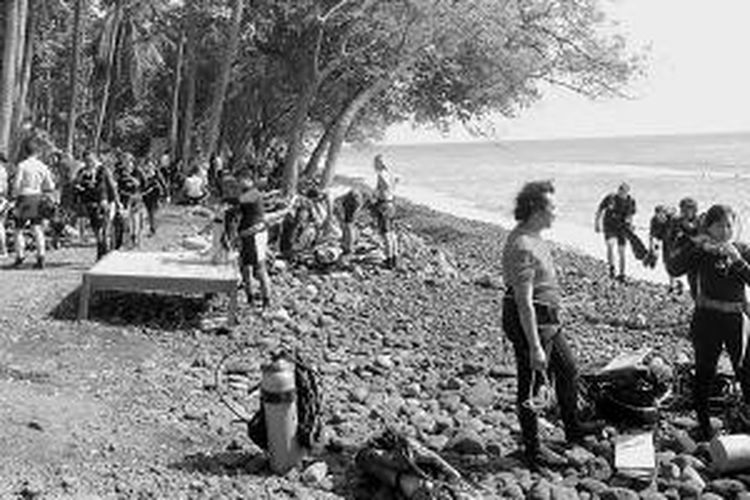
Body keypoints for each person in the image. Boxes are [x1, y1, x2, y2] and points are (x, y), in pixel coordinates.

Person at [501, 180, 599, 469]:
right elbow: (523, 302)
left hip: (549, 320)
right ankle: (533, 449)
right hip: (530, 321)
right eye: (553, 207)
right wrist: (534, 347)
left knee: (568, 371)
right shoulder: (521, 245)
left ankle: (573, 428)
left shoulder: (535, 236)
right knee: (531, 385)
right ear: (536, 209)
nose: (558, 212)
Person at [667, 205, 750, 441]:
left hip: (736, 320)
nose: (725, 231)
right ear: (709, 226)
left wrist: (737, 260)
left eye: (730, 225)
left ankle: (746, 421)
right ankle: (703, 426)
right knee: (705, 373)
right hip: (706, 318)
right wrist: (695, 244)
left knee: (745, 372)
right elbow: (674, 267)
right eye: (720, 225)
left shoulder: (742, 249)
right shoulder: (701, 250)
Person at [225, 170, 272, 309]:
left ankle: (266, 301)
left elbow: (237, 201)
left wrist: (224, 200)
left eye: (240, 181)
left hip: (255, 235)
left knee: (260, 268)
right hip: (246, 236)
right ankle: (250, 299)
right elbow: (238, 209)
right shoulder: (247, 193)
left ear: (248, 179)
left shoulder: (254, 193)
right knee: (246, 268)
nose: (238, 184)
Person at [12, 138, 56, 269]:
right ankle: (41, 256)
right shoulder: (42, 166)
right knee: (37, 228)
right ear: (38, 152)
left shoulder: (22, 165)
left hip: (24, 197)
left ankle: (20, 256)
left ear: (26, 151)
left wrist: (14, 196)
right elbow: (51, 185)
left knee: (18, 229)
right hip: (37, 196)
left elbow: (16, 185)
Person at [74, 151, 120, 260]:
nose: (88, 163)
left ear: (95, 159)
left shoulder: (103, 170)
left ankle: (103, 252)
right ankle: (102, 249)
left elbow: (111, 186)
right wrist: (78, 190)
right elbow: (76, 185)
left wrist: (117, 202)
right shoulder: (82, 172)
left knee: (104, 229)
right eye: (86, 161)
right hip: (90, 203)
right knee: (96, 230)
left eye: (90, 160)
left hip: (105, 202)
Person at [595, 183, 636, 281]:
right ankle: (612, 268)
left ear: (627, 193)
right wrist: (597, 223)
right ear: (618, 190)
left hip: (622, 227)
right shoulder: (610, 198)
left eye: (624, 192)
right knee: (610, 244)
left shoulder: (630, 201)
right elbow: (600, 210)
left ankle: (622, 274)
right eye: (620, 191)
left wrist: (630, 225)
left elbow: (630, 216)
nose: (622, 194)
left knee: (622, 251)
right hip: (609, 226)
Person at [667, 197, 701, 297]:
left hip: (698, 257)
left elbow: (702, 236)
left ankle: (699, 305)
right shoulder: (676, 221)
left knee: (697, 283)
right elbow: (671, 240)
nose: (685, 212)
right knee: (693, 282)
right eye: (683, 209)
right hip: (685, 256)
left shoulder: (700, 221)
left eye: (688, 209)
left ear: (694, 210)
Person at [373, 154, 399, 269]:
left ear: (379, 163)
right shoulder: (390, 174)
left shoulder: (381, 174)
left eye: (375, 162)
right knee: (392, 234)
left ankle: (388, 261)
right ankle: (394, 258)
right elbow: (394, 185)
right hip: (392, 204)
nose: (373, 164)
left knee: (386, 234)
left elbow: (382, 189)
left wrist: (375, 193)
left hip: (384, 205)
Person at [649, 205, 680, 293]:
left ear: (665, 214)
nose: (660, 218)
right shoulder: (654, 221)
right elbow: (652, 237)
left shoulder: (673, 219)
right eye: (658, 217)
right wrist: (653, 252)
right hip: (665, 239)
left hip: (675, 240)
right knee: (666, 262)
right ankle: (672, 285)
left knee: (673, 262)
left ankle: (675, 284)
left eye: (662, 216)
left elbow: (680, 233)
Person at [138, 158, 167, 236]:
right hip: (145, 196)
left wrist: (166, 195)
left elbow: (163, 184)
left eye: (151, 165)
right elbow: (141, 185)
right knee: (147, 212)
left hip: (155, 195)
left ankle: (152, 228)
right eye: (147, 165)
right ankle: (148, 227)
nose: (149, 167)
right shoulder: (142, 174)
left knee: (152, 212)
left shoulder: (157, 174)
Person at [0, 153, 10, 258]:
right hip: (3, 199)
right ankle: (3, 250)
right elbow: (6, 188)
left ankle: (3, 251)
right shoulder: (4, 171)